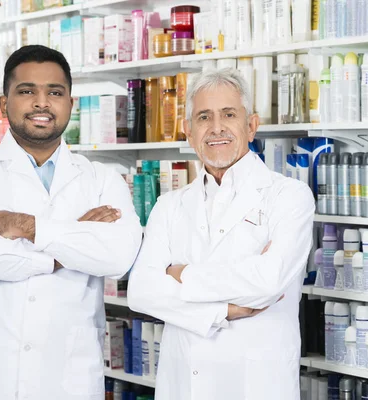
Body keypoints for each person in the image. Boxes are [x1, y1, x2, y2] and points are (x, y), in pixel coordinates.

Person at [0, 45, 142, 400]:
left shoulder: (102, 178)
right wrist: (67, 248)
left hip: (69, 376)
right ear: (4, 104)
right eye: (27, 91)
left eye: (55, 92)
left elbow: (118, 257)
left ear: (70, 105)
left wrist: (25, 227)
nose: (42, 103)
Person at [127, 68, 315, 400]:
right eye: (204, 117)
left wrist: (180, 275)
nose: (217, 128)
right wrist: (223, 310)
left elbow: (268, 281)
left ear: (251, 126)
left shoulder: (289, 196)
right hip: (183, 384)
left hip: (256, 385)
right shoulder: (169, 205)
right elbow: (141, 292)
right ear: (188, 130)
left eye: (229, 114)